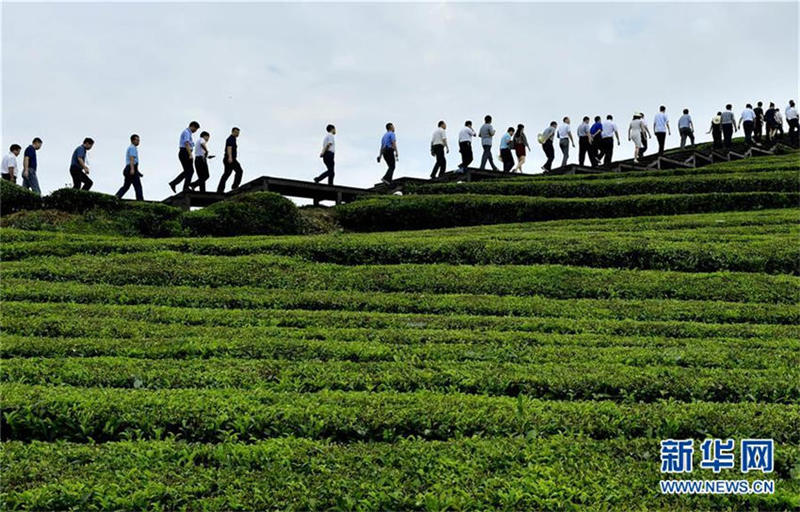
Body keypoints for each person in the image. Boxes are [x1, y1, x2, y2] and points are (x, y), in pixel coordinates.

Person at [169, 121, 199, 193]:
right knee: (190, 171)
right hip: (185, 152)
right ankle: (185, 187)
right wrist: (190, 154)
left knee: (188, 171)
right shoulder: (186, 132)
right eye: (196, 129)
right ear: (192, 126)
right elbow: (186, 143)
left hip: (185, 152)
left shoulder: (189, 133)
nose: (195, 131)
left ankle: (174, 183)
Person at [115, 134, 143, 200]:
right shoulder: (132, 148)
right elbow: (132, 158)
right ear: (133, 140)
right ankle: (140, 200)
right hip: (131, 168)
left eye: (139, 140)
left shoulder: (132, 148)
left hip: (131, 168)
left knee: (126, 186)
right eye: (137, 140)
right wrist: (132, 169)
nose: (138, 142)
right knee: (138, 186)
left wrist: (138, 172)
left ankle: (117, 197)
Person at [217, 127, 244, 193]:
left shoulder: (234, 139)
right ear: (232, 132)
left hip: (229, 158)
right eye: (236, 132)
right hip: (230, 158)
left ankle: (220, 190)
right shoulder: (230, 138)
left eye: (238, 133)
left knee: (226, 174)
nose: (237, 134)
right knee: (239, 171)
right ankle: (235, 186)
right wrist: (230, 157)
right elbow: (229, 147)